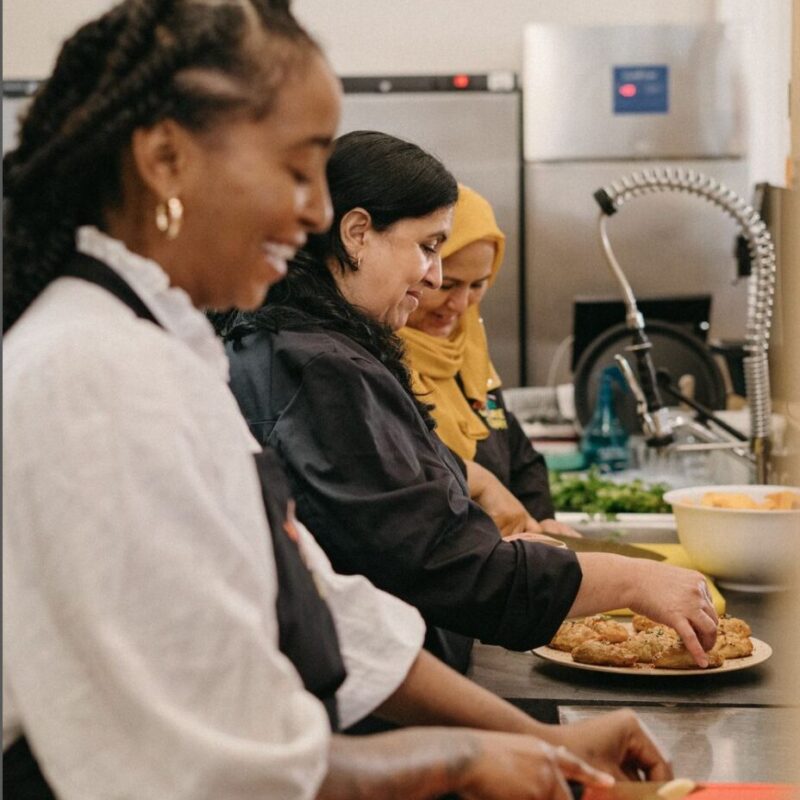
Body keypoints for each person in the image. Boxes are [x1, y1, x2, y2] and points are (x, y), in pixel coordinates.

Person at [2, 2, 673, 798]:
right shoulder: (90, 372)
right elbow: (205, 766)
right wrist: (461, 760)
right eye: (295, 168)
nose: (320, 213)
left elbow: (329, 607)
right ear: (165, 159)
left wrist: (529, 739)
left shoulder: (160, 350)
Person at [224, 129, 720, 674]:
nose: (435, 277)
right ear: (358, 232)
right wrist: (631, 579)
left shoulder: (310, 346)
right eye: (428, 247)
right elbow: (442, 563)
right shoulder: (322, 369)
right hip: (376, 704)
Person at [399, 184, 566, 530]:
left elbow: (519, 457)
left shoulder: (468, 346)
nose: (460, 306)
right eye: (447, 285)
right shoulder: (375, 358)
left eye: (478, 285)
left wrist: (541, 521)